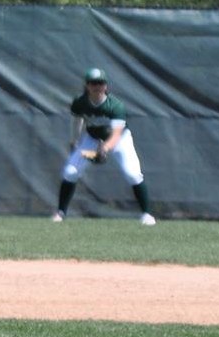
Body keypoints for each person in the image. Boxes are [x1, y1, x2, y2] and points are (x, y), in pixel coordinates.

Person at [51, 66, 156, 225]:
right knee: (70, 172)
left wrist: (105, 148)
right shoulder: (80, 102)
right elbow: (78, 119)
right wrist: (75, 140)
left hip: (120, 139)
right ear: (87, 85)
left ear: (106, 86)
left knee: (133, 174)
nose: (97, 86)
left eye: (101, 83)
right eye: (93, 83)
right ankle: (61, 212)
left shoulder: (115, 106)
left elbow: (116, 134)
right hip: (92, 138)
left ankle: (147, 214)